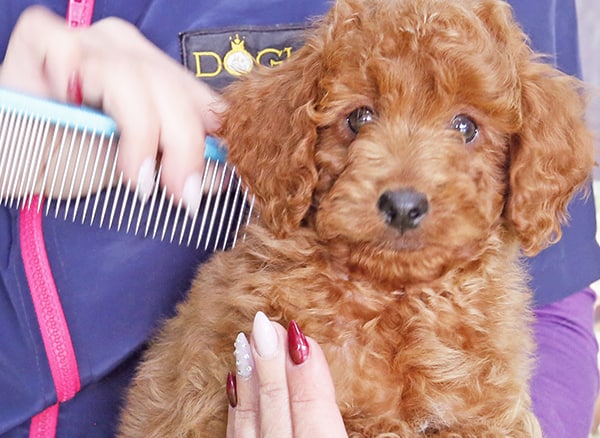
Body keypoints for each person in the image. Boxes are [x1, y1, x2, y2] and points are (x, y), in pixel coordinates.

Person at [0, 1, 598, 437]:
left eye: (464, 128)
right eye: (358, 120)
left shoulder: (490, 306)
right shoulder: (272, 281)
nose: (405, 190)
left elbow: (561, 316)